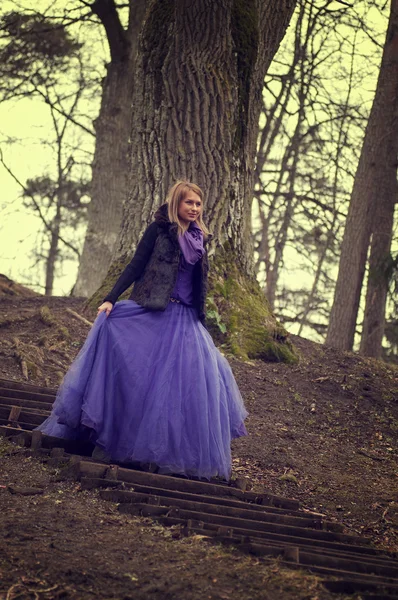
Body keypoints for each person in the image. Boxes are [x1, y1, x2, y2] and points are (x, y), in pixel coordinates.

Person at [38, 181, 248, 481]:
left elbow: (199, 284)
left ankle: (166, 456)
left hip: (187, 320)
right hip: (154, 313)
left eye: (198, 204)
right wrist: (111, 297)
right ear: (176, 203)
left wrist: (203, 317)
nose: (194, 208)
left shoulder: (201, 239)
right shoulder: (159, 231)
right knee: (142, 380)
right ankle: (110, 441)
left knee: (198, 380)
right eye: (189, 202)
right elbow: (135, 265)